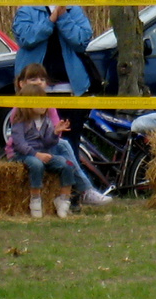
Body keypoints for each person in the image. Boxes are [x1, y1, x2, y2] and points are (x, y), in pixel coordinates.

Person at [8, 64, 106, 217]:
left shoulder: (47, 111)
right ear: (22, 83)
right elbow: (19, 143)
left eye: (42, 79)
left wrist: (55, 132)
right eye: (33, 79)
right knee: (57, 150)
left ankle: (65, 198)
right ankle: (80, 190)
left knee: (65, 162)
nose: (39, 82)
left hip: (45, 148)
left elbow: (50, 140)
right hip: (26, 152)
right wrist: (37, 153)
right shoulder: (19, 113)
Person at [12, 0, 95, 97]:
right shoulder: (27, 9)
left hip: (68, 85)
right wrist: (50, 21)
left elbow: (81, 42)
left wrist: (63, 17)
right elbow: (26, 39)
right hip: (34, 86)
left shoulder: (74, 10)